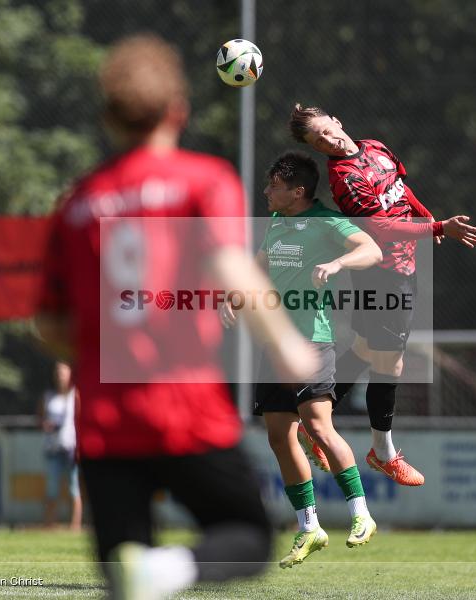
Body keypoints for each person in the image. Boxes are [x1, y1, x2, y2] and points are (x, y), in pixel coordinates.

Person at [35, 34, 317, 600]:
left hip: (108, 422)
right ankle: (170, 570)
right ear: (178, 110)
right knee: (247, 538)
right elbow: (233, 269)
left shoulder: (76, 202)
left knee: (124, 577)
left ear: (107, 119)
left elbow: (48, 324)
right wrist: (287, 346)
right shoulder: (203, 180)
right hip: (185, 408)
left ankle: (148, 572)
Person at [289, 103, 476, 486]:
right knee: (389, 363)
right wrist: (439, 227)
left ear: (337, 120)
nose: (327, 140)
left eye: (326, 129)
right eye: (318, 141)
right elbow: (382, 227)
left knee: (363, 348)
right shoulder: (344, 177)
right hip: (383, 274)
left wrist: (428, 220)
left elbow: (401, 190)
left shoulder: (375, 147)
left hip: (401, 270)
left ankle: (312, 422)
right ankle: (383, 451)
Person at [221, 151, 381, 567]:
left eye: (273, 185)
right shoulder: (277, 223)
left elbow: (371, 249)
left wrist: (338, 262)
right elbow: (258, 269)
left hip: (312, 342)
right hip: (275, 347)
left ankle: (361, 515)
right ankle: (309, 527)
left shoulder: (326, 221)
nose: (266, 191)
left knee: (317, 425)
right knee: (278, 435)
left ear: (298, 191)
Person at [39, 361, 81, 529]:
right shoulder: (48, 396)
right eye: (57, 372)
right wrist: (45, 424)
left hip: (71, 447)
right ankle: (49, 525)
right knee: (52, 488)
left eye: (63, 372)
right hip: (52, 448)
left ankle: (75, 526)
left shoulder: (75, 395)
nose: (60, 376)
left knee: (73, 487)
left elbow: (81, 420)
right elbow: (40, 418)